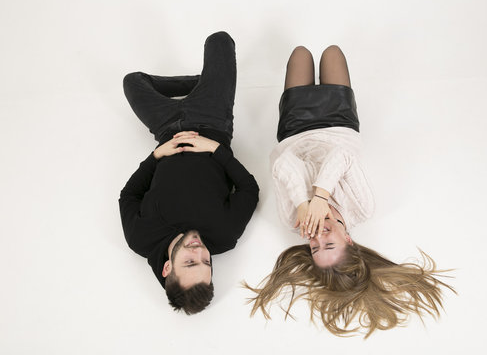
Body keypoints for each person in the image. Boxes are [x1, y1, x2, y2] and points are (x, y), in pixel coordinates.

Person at [245, 45, 454, 337]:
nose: (318, 238)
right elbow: (342, 155)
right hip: (338, 121)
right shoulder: (362, 207)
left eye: (315, 248)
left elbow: (282, 161)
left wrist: (304, 203)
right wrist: (320, 197)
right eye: (330, 245)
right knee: (332, 53)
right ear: (350, 240)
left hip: (294, 129)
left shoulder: (293, 218)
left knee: (300, 54)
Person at [119, 31, 259, 315]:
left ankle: (201, 83)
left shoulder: (140, 238)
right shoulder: (225, 234)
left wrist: (157, 154)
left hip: (165, 126)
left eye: (190, 262)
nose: (199, 252)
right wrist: (215, 148)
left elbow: (129, 195)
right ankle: (207, 86)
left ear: (168, 267)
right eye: (206, 263)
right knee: (219, 40)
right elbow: (249, 189)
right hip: (212, 120)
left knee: (133, 81)